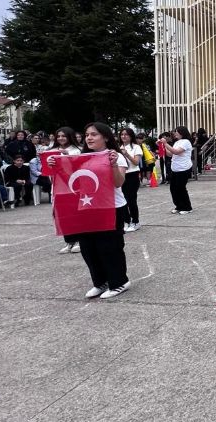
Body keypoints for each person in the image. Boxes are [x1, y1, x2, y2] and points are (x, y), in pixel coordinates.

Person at [52, 123, 131, 299]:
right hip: (87, 207)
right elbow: (74, 182)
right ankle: (100, 282)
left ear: (106, 137)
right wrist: (56, 166)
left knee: (110, 247)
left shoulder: (115, 156)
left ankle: (119, 282)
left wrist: (111, 165)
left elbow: (118, 183)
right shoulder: (82, 158)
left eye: (94, 134)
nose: (89, 138)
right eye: (87, 134)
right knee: (88, 248)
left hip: (111, 207)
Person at [54, 126, 83, 253]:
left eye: (63, 136)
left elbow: (80, 166)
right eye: (58, 136)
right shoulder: (53, 150)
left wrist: (68, 156)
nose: (60, 138)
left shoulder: (78, 150)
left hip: (74, 187)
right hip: (58, 188)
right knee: (63, 216)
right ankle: (69, 241)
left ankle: (79, 240)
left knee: (75, 214)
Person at [158, 127, 193, 214]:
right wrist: (163, 145)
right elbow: (170, 154)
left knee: (181, 188)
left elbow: (177, 152)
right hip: (175, 168)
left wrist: (165, 143)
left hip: (183, 168)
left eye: (176, 132)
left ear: (182, 133)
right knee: (173, 188)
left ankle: (187, 207)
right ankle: (179, 206)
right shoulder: (177, 142)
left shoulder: (186, 142)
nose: (175, 134)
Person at [118, 128, 143, 232]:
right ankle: (126, 221)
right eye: (122, 134)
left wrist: (126, 154)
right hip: (122, 175)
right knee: (122, 200)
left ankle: (136, 221)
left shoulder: (136, 147)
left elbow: (136, 162)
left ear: (131, 136)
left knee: (131, 199)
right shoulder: (118, 147)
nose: (124, 136)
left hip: (132, 175)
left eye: (126, 134)